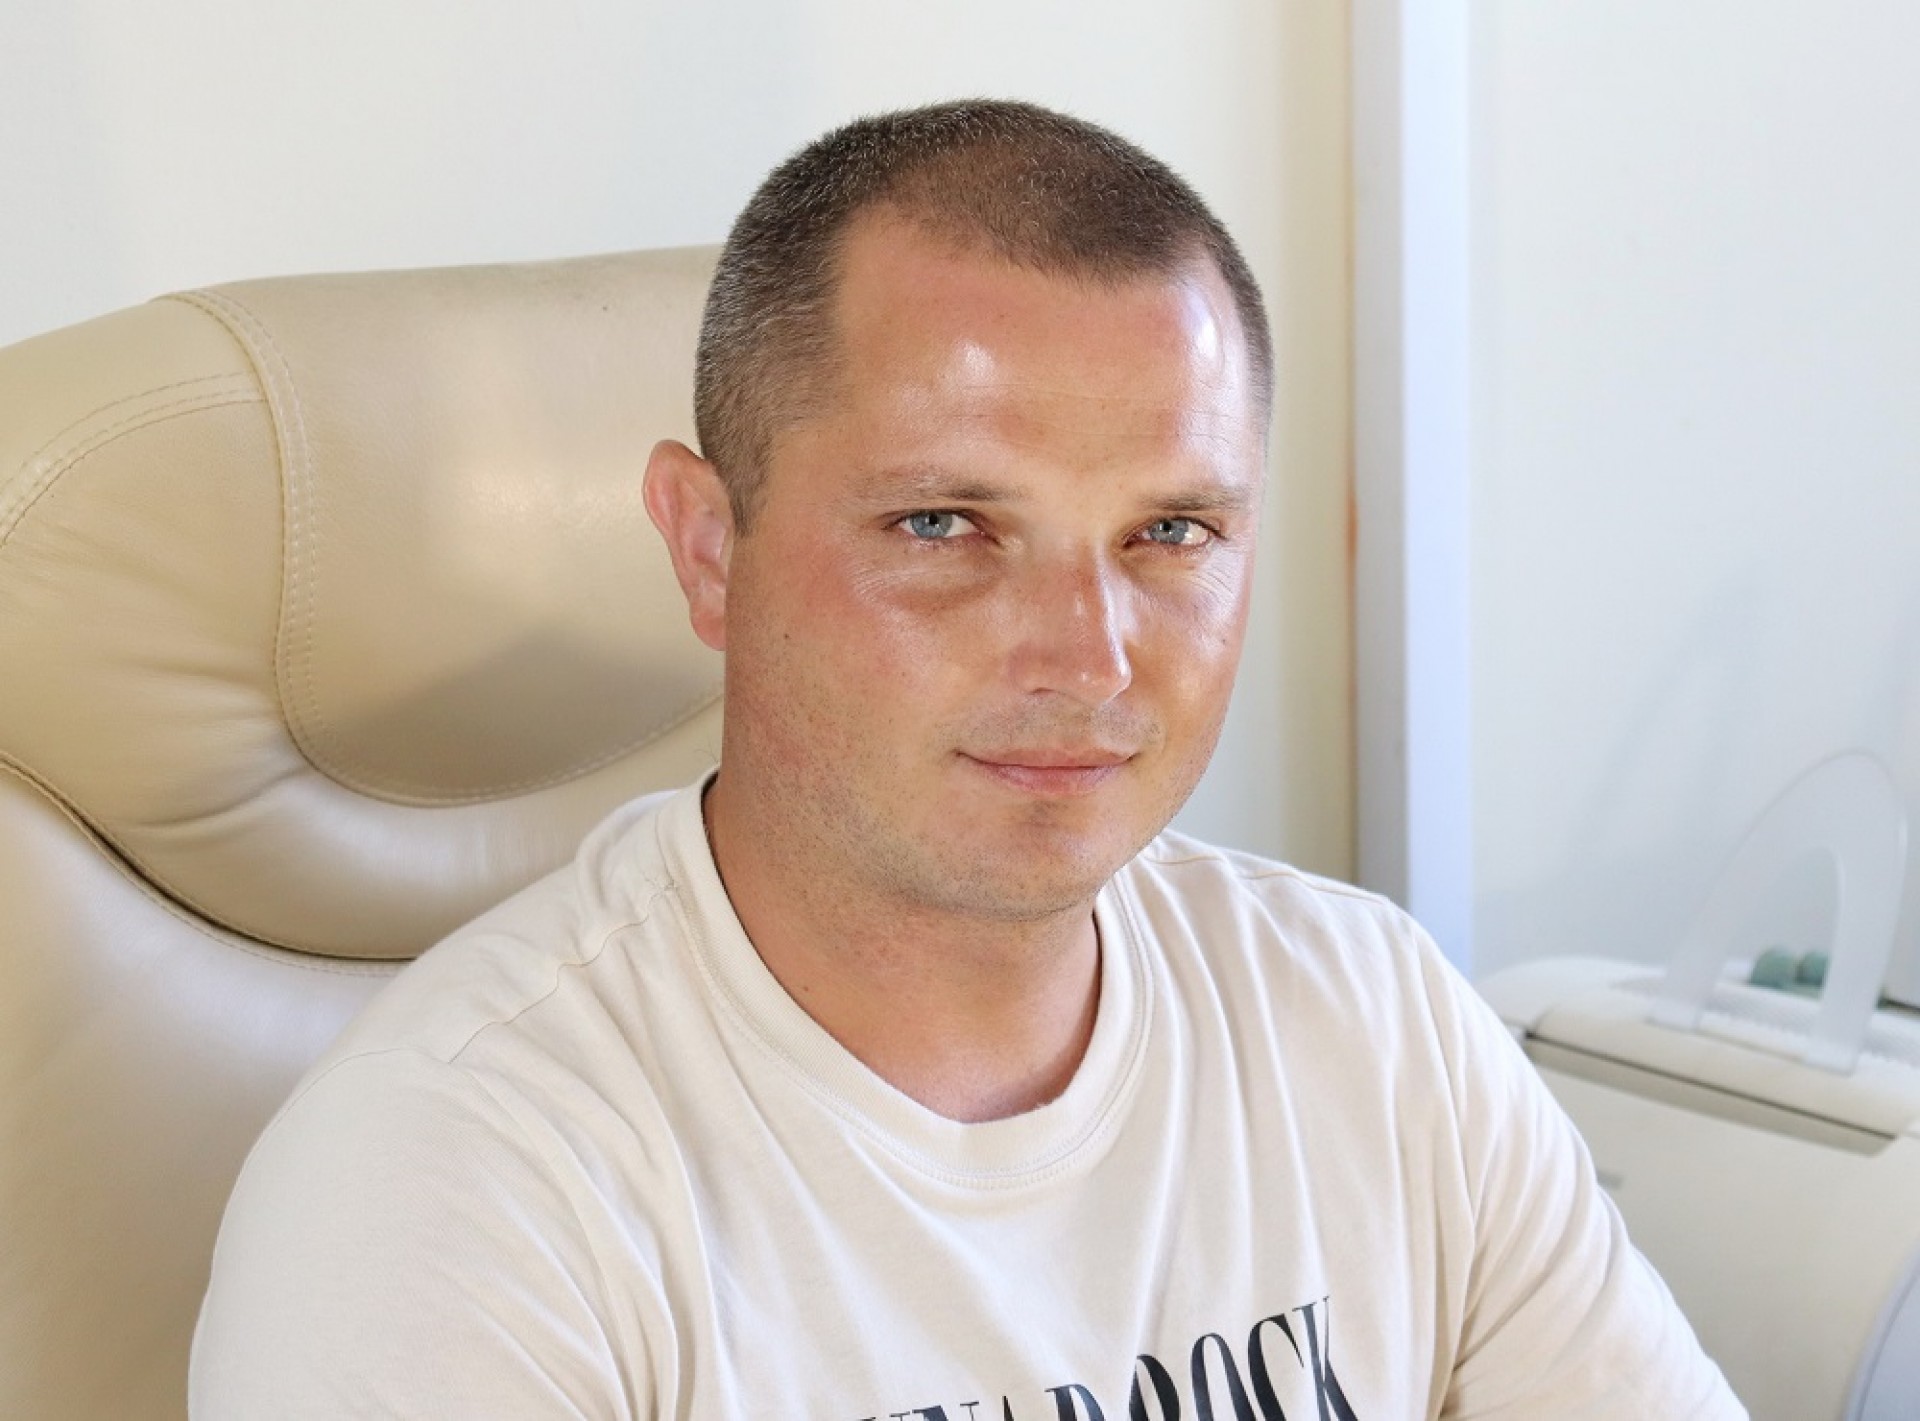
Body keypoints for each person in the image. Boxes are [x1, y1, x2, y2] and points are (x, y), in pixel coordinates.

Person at [190, 99, 1744, 1419]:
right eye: (945, 525)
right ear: (710, 547)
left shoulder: (1372, 1024)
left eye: (1171, 531)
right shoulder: (449, 1182)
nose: (1088, 656)